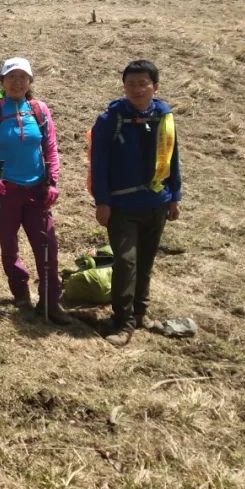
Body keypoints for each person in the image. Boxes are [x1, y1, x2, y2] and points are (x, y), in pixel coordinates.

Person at [0, 57, 72, 325]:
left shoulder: (39, 110)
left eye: (22, 77)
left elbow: (50, 148)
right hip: (4, 191)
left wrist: (52, 181)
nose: (17, 82)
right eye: (11, 77)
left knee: (47, 246)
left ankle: (50, 302)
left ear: (30, 81)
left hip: (36, 191)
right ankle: (21, 294)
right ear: (2, 82)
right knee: (9, 247)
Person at [90, 59, 182, 347]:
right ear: (124, 87)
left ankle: (140, 313)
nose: (137, 89)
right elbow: (99, 163)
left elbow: (172, 159)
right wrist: (102, 202)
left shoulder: (163, 117)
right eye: (131, 84)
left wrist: (174, 196)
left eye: (143, 84)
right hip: (121, 207)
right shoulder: (109, 120)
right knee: (126, 262)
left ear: (155, 86)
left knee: (145, 262)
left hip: (156, 202)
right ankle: (122, 321)